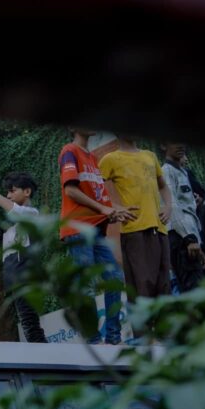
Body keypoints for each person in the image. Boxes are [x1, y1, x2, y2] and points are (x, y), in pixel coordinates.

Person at [58, 127, 136, 344]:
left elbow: (101, 199)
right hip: (77, 229)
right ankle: (92, 339)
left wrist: (117, 209)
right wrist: (104, 210)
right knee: (85, 284)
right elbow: (71, 190)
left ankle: (113, 338)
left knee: (115, 279)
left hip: (97, 231)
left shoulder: (93, 158)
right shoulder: (69, 151)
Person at [0, 172, 48, 343]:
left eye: (12, 191)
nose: (8, 195)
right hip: (14, 282)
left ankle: (45, 361)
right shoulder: (8, 225)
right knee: (28, 324)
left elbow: (15, 210)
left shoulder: (32, 214)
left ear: (27, 192)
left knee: (30, 324)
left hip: (28, 278)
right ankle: (42, 359)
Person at [98, 136, 172, 299]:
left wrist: (168, 206)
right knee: (141, 287)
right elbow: (94, 190)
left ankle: (163, 324)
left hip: (160, 229)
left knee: (164, 285)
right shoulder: (110, 159)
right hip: (134, 231)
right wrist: (115, 208)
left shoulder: (150, 156)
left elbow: (163, 186)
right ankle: (141, 325)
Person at [161, 143, 205, 291]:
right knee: (193, 290)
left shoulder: (183, 172)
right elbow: (172, 207)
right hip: (182, 240)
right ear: (163, 145)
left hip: (192, 238)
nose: (181, 145)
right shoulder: (166, 171)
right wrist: (189, 239)